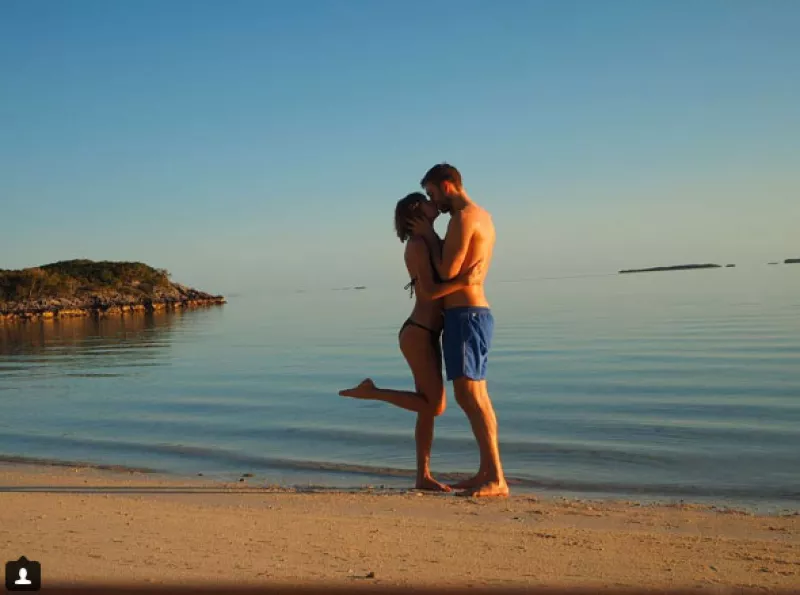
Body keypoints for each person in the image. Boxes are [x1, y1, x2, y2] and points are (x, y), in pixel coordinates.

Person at [339, 192, 483, 492]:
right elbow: (430, 293)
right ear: (417, 212)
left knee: (426, 407)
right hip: (419, 332)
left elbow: (445, 265)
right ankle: (372, 392)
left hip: (427, 332)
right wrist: (464, 283)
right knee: (436, 407)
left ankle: (423, 477)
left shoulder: (427, 239)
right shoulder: (416, 246)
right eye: (428, 201)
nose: (435, 203)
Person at [409, 163, 509, 497]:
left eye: (432, 193)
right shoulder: (482, 216)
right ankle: (488, 471)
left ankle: (495, 477)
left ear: (448, 184)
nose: (432, 201)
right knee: (475, 395)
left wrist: (428, 237)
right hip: (471, 313)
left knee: (470, 395)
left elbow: (448, 270)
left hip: (466, 314)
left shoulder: (463, 218)